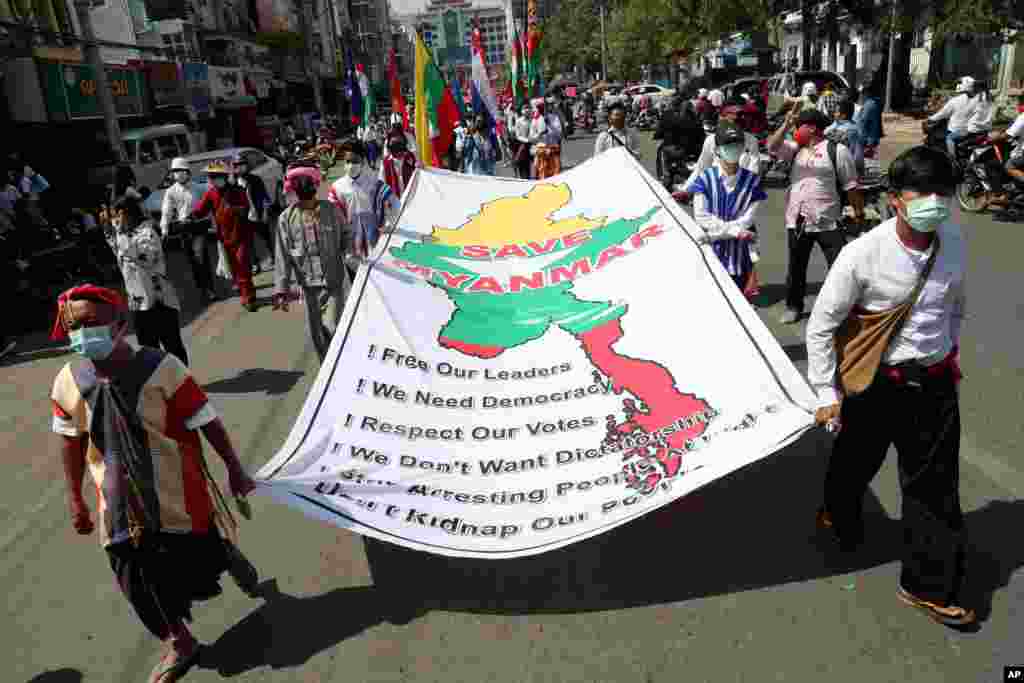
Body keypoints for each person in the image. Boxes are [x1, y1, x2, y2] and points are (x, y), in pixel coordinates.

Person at [49, 284, 257, 681]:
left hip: (177, 491)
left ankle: (222, 552)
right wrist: (75, 497)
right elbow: (71, 440)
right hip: (117, 502)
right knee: (133, 573)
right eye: (73, 325)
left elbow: (206, 420)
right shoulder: (68, 379)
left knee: (194, 559)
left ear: (119, 324)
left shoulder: (162, 368)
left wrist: (234, 469)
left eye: (91, 322)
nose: (81, 332)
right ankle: (181, 643)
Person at [807, 146, 972, 626]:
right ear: (896, 198)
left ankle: (927, 586)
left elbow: (954, 305)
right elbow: (822, 325)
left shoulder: (954, 242)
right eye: (922, 192)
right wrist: (826, 393)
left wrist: (945, 352)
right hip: (876, 385)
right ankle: (837, 512)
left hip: (935, 383)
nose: (935, 202)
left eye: (943, 192)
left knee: (934, 488)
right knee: (855, 463)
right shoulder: (863, 254)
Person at [767, 108, 864, 324]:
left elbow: (850, 186)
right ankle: (793, 306)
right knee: (796, 267)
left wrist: (858, 213)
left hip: (828, 221)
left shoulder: (837, 151)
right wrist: (786, 124)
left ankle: (842, 309)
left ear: (811, 128)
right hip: (798, 220)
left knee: (839, 268)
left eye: (798, 126)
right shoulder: (795, 149)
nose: (795, 131)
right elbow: (772, 146)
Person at [274, 168, 352, 362]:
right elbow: (282, 255)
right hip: (308, 286)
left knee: (333, 326)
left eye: (309, 195)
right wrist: (282, 290)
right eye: (302, 196)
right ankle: (325, 368)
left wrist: (350, 254)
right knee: (316, 334)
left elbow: (346, 234)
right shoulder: (286, 219)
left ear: (314, 191)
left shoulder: (331, 210)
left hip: (333, 282)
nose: (307, 201)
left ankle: (341, 363)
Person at [105, 195, 189, 365]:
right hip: (138, 303)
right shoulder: (124, 236)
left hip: (160, 300)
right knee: (148, 351)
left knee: (172, 347)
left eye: (116, 216)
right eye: (112, 217)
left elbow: (146, 259)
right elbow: (117, 248)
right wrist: (108, 229)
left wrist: (120, 233)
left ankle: (183, 378)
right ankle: (159, 380)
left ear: (126, 214)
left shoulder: (147, 232)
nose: (115, 221)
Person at [690, 121, 765, 298]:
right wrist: (734, 231)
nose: (734, 149)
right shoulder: (705, 179)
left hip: (739, 256)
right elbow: (701, 216)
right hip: (710, 252)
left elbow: (748, 219)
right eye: (728, 145)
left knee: (737, 298)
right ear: (717, 150)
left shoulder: (752, 182)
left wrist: (717, 234)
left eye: (737, 145)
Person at [191, 161, 257, 312]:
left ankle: (248, 297)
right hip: (224, 237)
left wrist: (234, 209)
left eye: (216, 176)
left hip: (241, 234)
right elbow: (200, 210)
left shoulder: (237, 191)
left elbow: (245, 208)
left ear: (224, 177)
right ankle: (248, 292)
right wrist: (190, 217)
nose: (213, 180)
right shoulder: (210, 193)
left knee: (242, 265)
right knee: (235, 268)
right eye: (211, 177)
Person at [327, 138, 399, 262]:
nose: (351, 165)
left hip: (375, 245)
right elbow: (331, 215)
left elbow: (395, 203)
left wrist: (388, 225)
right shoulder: (337, 187)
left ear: (362, 161)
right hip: (351, 249)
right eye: (348, 161)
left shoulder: (374, 184)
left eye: (355, 161)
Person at [161, 157, 217, 303]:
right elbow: (166, 211)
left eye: (180, 171)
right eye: (175, 171)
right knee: (192, 261)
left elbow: (210, 205)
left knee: (200, 256)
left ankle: (209, 289)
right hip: (183, 229)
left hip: (198, 226)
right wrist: (164, 229)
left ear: (187, 172)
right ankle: (202, 288)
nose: (178, 174)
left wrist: (214, 224)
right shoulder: (170, 192)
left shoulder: (198, 188)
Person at [682, 99, 760, 194]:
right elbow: (701, 167)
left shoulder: (751, 141)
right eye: (730, 118)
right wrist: (686, 189)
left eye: (738, 119)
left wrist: (746, 189)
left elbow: (754, 168)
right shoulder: (711, 140)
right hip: (715, 189)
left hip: (741, 189)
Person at [231, 153, 274, 275]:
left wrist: (265, 212)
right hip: (244, 217)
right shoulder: (233, 184)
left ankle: (273, 256)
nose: (240, 168)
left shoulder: (256, 179)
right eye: (237, 166)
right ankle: (255, 264)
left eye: (242, 165)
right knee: (248, 242)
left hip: (259, 213)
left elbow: (264, 197)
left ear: (247, 165)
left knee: (266, 237)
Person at [927, 76, 978, 157]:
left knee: (949, 138)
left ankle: (952, 159)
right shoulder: (979, 99)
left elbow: (943, 113)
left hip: (960, 130)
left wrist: (930, 119)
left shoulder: (955, 100)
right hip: (976, 130)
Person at [825, 98, 865, 176]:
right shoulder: (837, 123)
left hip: (845, 168)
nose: (834, 114)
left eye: (836, 112)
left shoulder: (850, 130)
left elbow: (857, 154)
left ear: (843, 115)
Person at [379, 128, 419, 199]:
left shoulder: (412, 158)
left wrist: (418, 167)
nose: (397, 146)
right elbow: (382, 184)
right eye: (393, 142)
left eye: (399, 142)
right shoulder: (385, 163)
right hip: (394, 201)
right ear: (389, 145)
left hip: (412, 199)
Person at [529, 98, 563, 179]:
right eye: (539, 107)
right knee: (542, 174)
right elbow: (531, 137)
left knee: (556, 174)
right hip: (541, 152)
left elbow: (559, 134)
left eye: (543, 106)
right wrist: (539, 134)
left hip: (553, 150)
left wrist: (550, 125)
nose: (542, 109)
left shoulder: (554, 117)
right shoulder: (535, 120)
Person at [855, 80, 884, 149]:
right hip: (873, 136)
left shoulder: (869, 105)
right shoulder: (876, 102)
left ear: (867, 93)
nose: (861, 95)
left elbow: (862, 121)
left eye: (862, 93)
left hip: (868, 138)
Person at [513, 104, 534, 179]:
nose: (527, 111)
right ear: (522, 111)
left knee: (534, 164)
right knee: (523, 165)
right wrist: (526, 140)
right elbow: (517, 135)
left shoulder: (533, 120)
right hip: (522, 145)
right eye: (525, 109)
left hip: (532, 144)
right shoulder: (518, 121)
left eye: (528, 109)